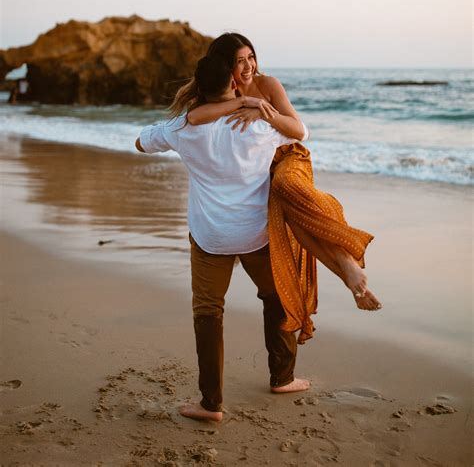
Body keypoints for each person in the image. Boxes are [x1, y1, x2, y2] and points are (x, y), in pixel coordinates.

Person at [135, 54, 311, 423]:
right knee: (275, 297)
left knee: (208, 313)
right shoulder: (261, 127)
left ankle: (210, 403)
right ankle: (282, 377)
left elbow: (140, 143)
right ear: (233, 85)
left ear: (199, 88)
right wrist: (253, 106)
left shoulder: (181, 128)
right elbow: (301, 132)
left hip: (210, 235)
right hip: (255, 233)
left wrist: (185, 120)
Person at [184, 33, 381, 342]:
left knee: (286, 186)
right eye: (239, 61)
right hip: (259, 170)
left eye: (251, 57)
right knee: (288, 217)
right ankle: (348, 276)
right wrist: (239, 102)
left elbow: (298, 131)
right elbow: (193, 118)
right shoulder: (222, 95)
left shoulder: (269, 85)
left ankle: (347, 262)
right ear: (225, 67)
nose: (248, 66)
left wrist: (264, 110)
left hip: (287, 159)